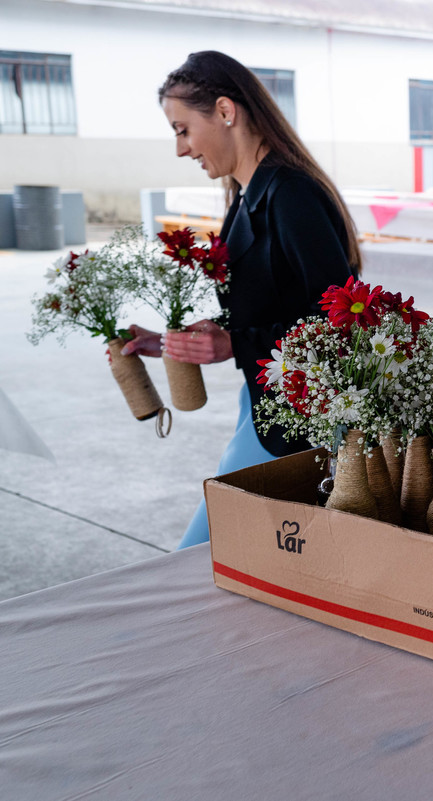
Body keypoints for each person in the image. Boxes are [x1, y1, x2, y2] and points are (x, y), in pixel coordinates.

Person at [123, 50, 359, 549]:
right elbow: (268, 305)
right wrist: (173, 342)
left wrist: (235, 343)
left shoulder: (290, 193)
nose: (181, 149)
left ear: (226, 111)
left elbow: (343, 321)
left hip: (295, 416)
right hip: (262, 404)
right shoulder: (248, 196)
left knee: (199, 556)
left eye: (183, 130)